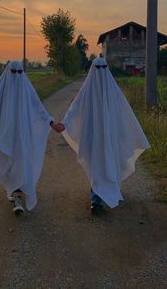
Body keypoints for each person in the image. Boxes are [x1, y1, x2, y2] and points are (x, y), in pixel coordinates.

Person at [54, 56, 150, 212]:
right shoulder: (86, 91)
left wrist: (129, 131)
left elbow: (124, 112)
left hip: (110, 137)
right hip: (93, 138)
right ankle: (96, 200)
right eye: (97, 69)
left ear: (107, 70)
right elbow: (75, 108)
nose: (100, 73)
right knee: (97, 166)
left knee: (110, 162)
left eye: (103, 69)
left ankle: (108, 189)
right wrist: (64, 123)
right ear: (93, 70)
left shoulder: (113, 91)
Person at [0, 60, 58, 214]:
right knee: (9, 164)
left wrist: (50, 122)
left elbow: (38, 108)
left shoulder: (27, 90)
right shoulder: (1, 91)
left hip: (23, 136)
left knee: (22, 162)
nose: (16, 76)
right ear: (8, 73)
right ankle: (13, 192)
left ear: (22, 73)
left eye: (19, 72)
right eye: (13, 72)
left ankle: (18, 192)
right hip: (6, 137)